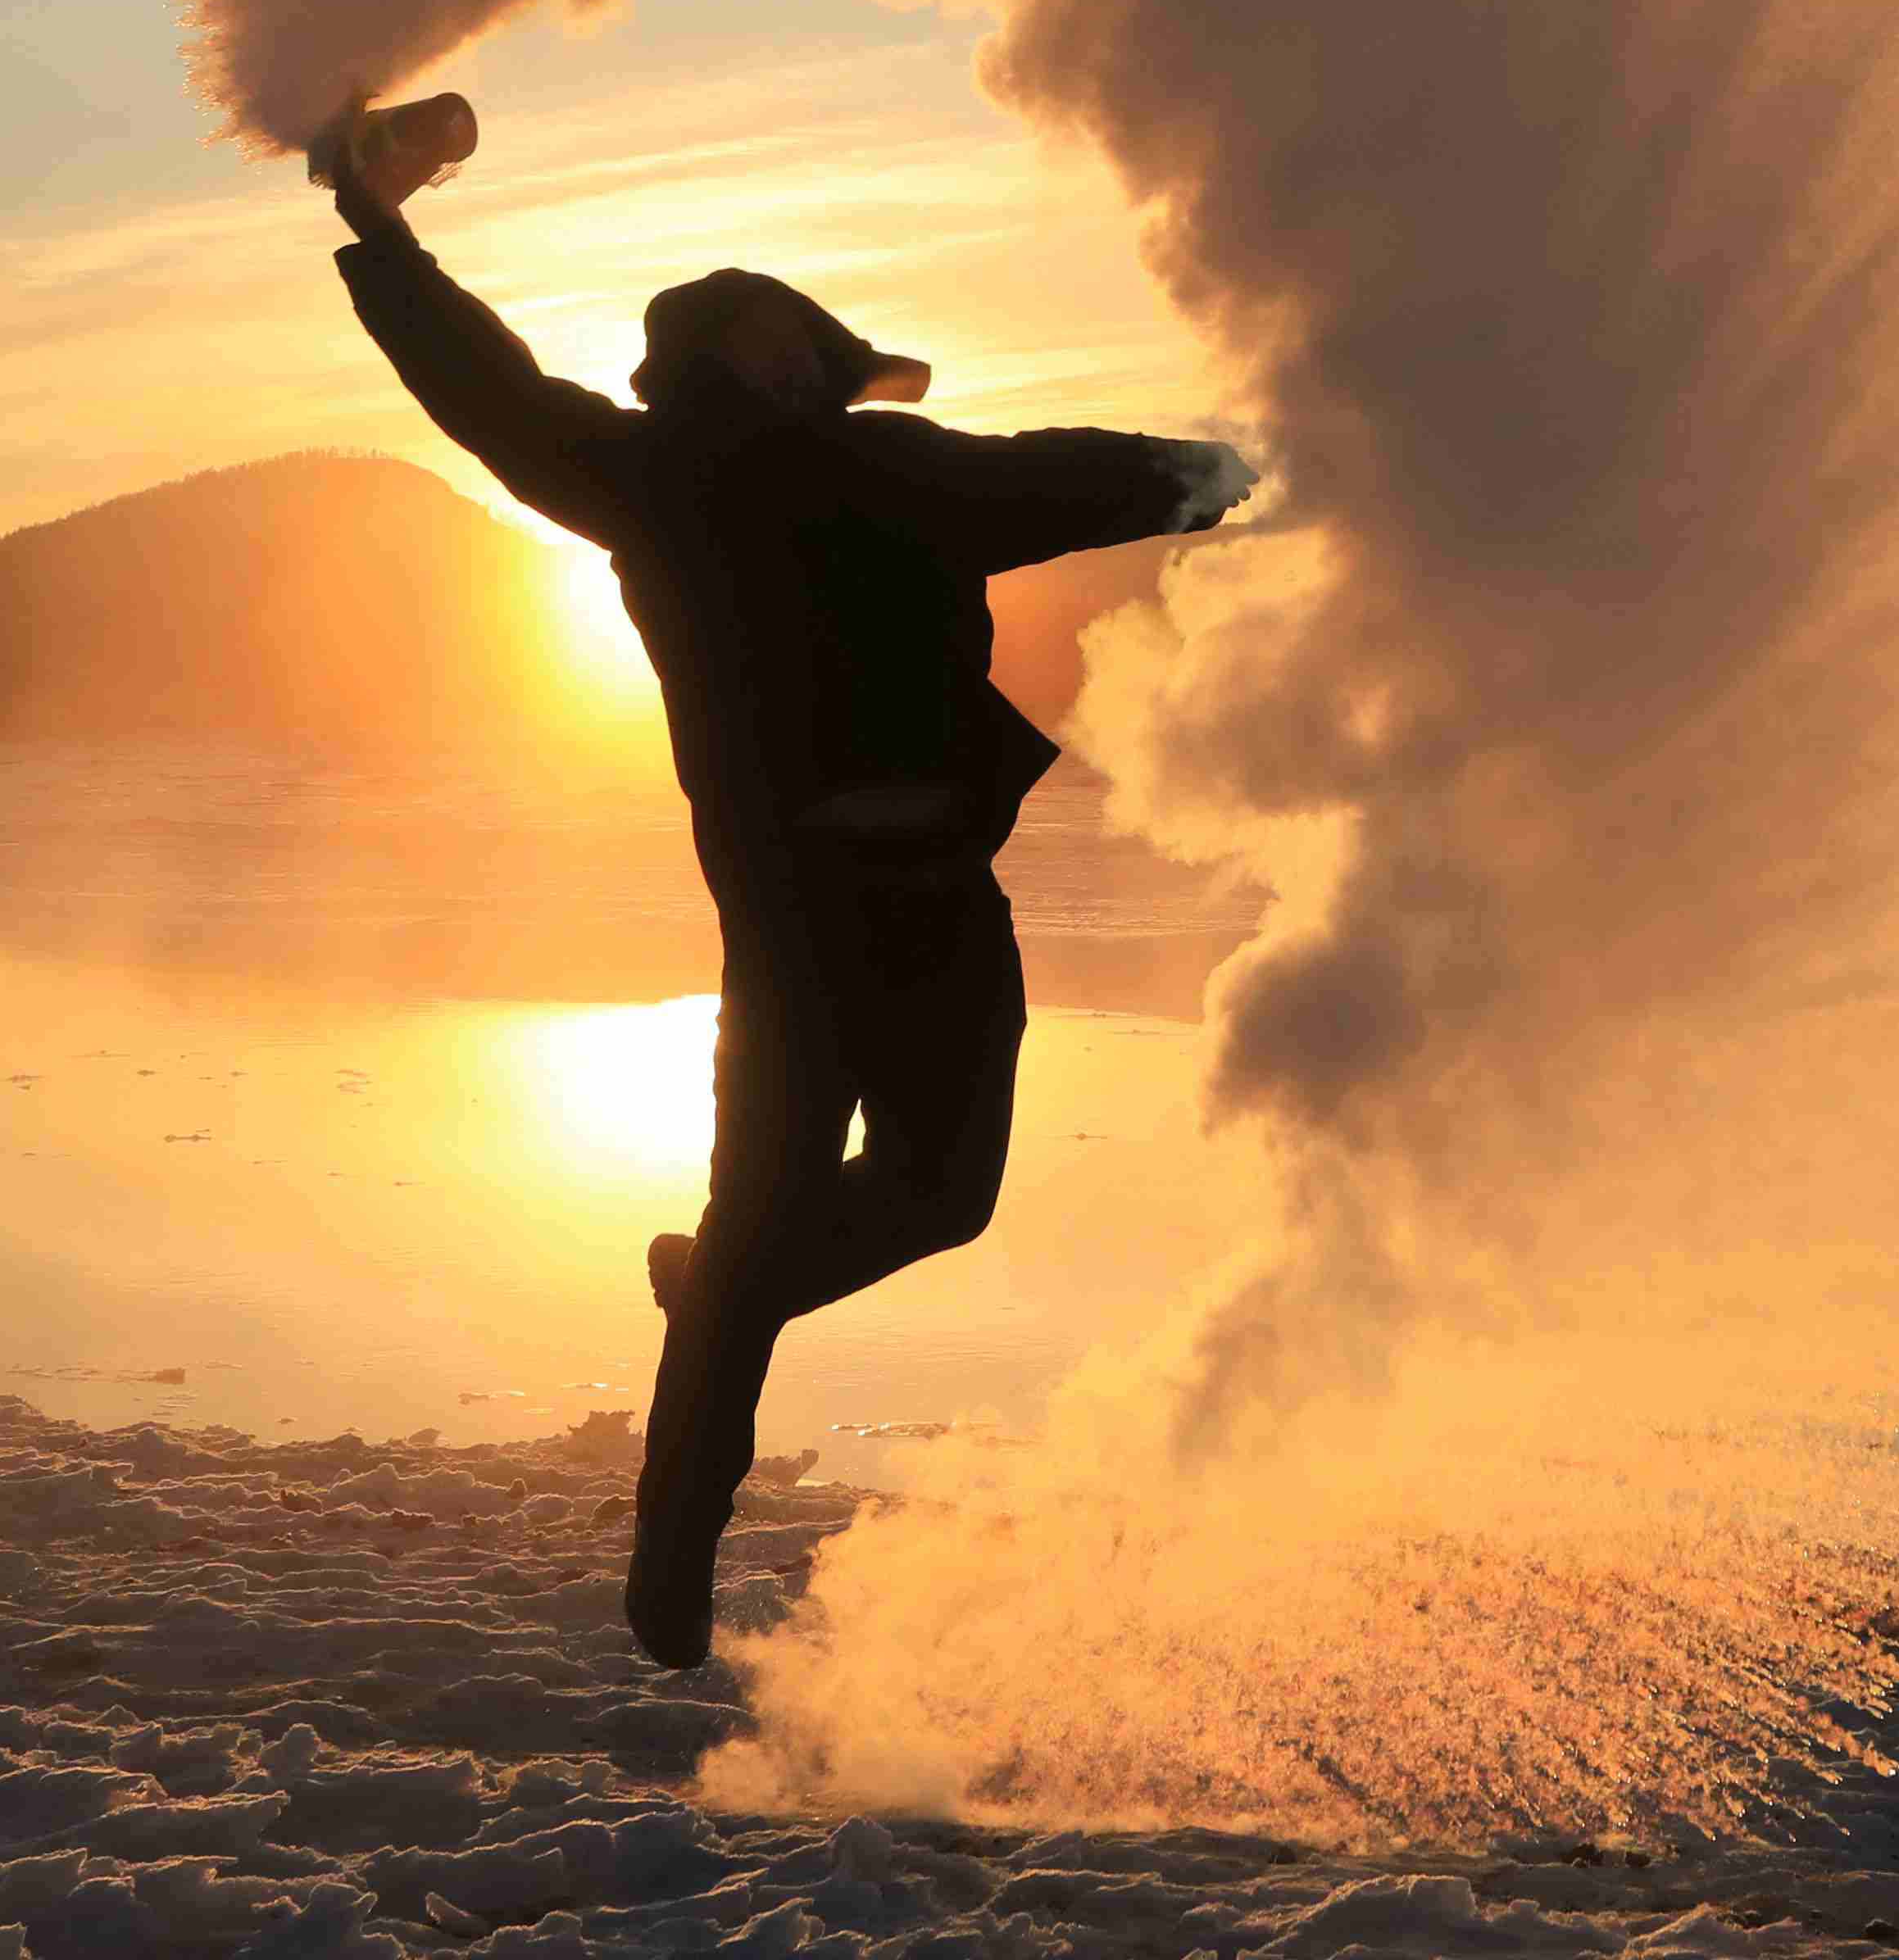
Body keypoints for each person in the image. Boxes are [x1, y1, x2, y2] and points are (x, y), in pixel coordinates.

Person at [309, 116, 1252, 1664]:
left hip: (950, 900)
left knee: (940, 1200)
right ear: (704, 359)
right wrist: (384, 236)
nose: (793, 360)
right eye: (765, 337)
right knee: (757, 1241)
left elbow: (1089, 477)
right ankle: (671, 1562)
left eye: (809, 342)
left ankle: (727, 1283)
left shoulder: (905, 464)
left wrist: (1275, 463)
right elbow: (477, 387)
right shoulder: (644, 474)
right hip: (797, 927)